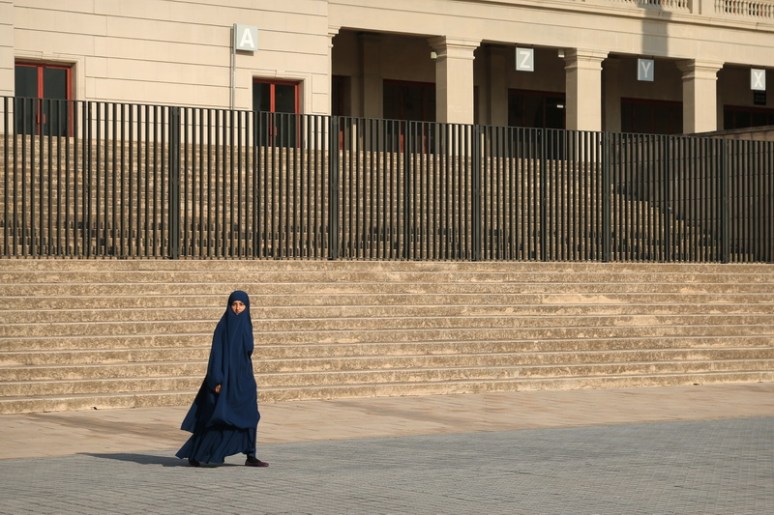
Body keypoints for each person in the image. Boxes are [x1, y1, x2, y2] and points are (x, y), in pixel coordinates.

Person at [176, 290, 269, 467]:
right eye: (234, 304)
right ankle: (196, 453)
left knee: (250, 415)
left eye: (241, 305)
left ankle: (250, 455)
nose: (237, 308)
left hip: (244, 379)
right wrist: (216, 379)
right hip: (226, 379)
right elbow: (216, 354)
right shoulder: (223, 326)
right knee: (220, 416)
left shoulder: (246, 324)